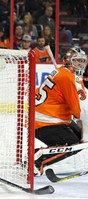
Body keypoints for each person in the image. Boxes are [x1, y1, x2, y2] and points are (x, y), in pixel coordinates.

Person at [34, 46, 87, 175]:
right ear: (68, 60)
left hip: (48, 118)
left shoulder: (65, 73)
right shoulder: (68, 77)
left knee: (80, 137)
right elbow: (80, 113)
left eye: (82, 61)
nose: (80, 64)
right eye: (76, 61)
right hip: (45, 122)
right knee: (74, 144)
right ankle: (37, 161)